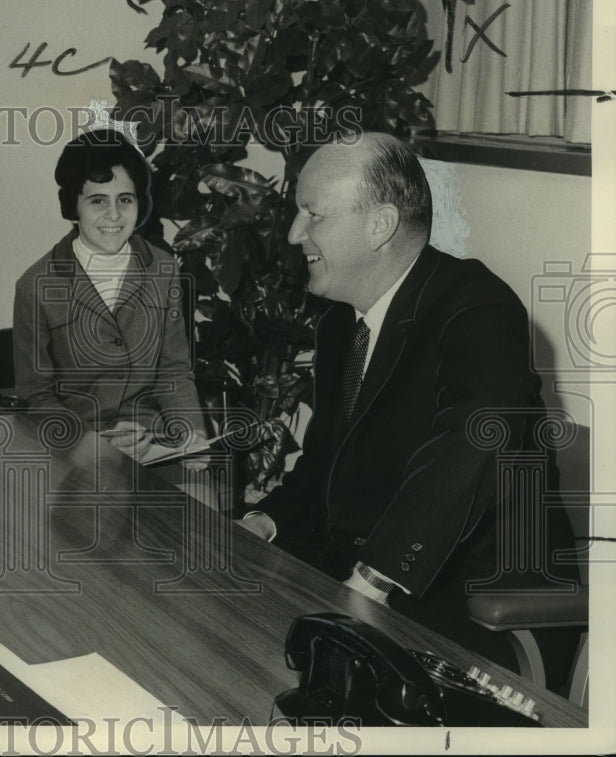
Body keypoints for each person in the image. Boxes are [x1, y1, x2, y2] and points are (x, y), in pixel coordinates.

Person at [240, 132, 575, 667]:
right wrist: (263, 522)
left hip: (474, 611)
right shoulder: (339, 327)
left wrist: (372, 578)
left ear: (381, 225)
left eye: (312, 214)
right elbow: (326, 464)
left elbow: (472, 442)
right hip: (364, 580)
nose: (293, 232)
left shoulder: (478, 307)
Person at [13, 129, 206, 456]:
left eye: (125, 200)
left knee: (200, 499)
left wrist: (192, 435)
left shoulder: (163, 269)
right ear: (73, 206)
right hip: (75, 447)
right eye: (98, 200)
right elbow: (37, 396)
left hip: (153, 441)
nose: (114, 215)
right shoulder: (35, 286)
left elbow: (173, 371)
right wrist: (89, 442)